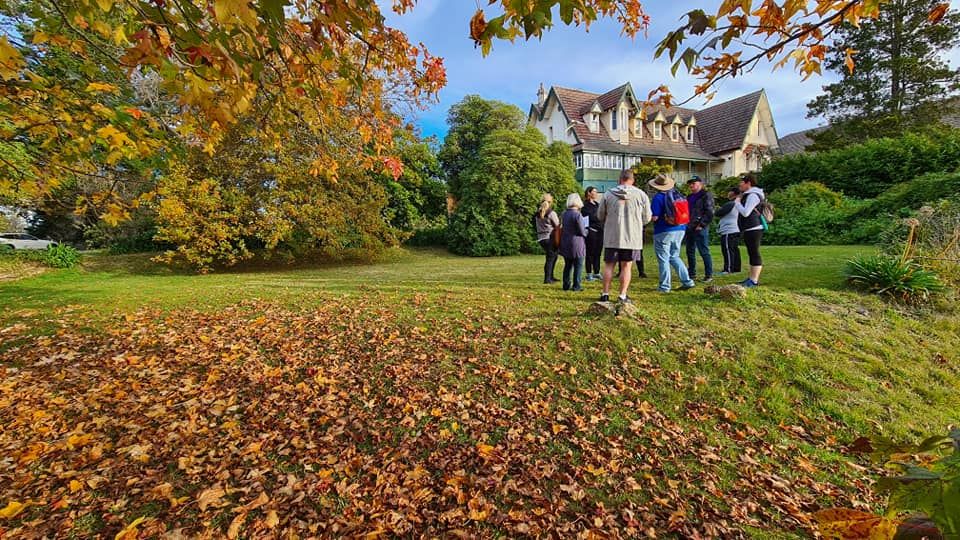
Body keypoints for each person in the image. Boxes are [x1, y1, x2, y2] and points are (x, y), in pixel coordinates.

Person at [596, 169, 652, 303]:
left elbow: (600, 215)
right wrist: (637, 223)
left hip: (612, 236)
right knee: (626, 266)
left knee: (609, 265)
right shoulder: (641, 195)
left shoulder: (608, 194)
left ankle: (605, 294)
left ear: (619, 179)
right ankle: (622, 295)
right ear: (633, 180)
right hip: (632, 238)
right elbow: (647, 217)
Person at [648, 174, 696, 293]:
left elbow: (655, 217)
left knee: (663, 259)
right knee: (674, 256)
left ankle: (664, 287)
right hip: (680, 229)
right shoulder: (678, 195)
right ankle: (687, 281)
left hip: (664, 230)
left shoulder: (658, 197)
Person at [734, 173, 765, 288]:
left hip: (754, 228)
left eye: (741, 183)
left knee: (754, 253)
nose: (739, 185)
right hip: (749, 228)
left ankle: (754, 280)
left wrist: (737, 203)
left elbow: (746, 212)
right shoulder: (749, 195)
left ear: (748, 183)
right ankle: (751, 278)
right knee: (751, 253)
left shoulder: (753, 195)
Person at [684, 176, 715, 282]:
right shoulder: (689, 197)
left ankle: (708, 275)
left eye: (694, 183)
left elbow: (710, 212)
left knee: (704, 251)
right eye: (690, 184)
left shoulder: (706, 195)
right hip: (689, 226)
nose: (691, 185)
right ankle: (691, 273)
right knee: (690, 251)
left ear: (700, 184)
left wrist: (702, 224)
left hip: (700, 227)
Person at [560, 193, 588, 291]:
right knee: (578, 265)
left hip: (565, 241)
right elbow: (582, 231)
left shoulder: (564, 213)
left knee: (568, 265)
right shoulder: (577, 214)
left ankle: (566, 285)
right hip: (577, 242)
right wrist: (587, 231)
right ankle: (576, 286)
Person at [715, 186, 742, 275]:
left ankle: (728, 269)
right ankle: (736, 268)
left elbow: (718, 213)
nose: (727, 193)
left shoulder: (731, 203)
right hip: (736, 229)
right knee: (734, 249)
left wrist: (717, 209)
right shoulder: (739, 203)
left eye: (729, 192)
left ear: (733, 193)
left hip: (729, 230)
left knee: (727, 250)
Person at [534, 193, 560, 284]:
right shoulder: (551, 213)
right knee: (550, 258)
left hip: (541, 238)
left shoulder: (538, 213)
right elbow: (557, 225)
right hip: (550, 237)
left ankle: (550, 276)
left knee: (552, 257)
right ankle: (548, 278)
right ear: (550, 202)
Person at [581, 186, 603, 282]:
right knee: (590, 253)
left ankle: (597, 272)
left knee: (598, 253)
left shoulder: (597, 204)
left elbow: (602, 215)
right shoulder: (584, 206)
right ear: (589, 193)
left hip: (600, 231)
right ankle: (589, 273)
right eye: (594, 191)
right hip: (591, 231)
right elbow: (590, 217)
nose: (596, 193)